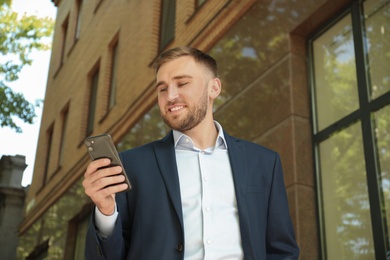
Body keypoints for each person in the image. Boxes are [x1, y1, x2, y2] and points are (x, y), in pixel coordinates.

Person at [83, 46, 300, 259]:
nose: (170, 96)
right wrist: (105, 212)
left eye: (182, 83)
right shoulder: (131, 165)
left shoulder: (263, 162)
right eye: (162, 89)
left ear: (214, 88)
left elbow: (281, 251)